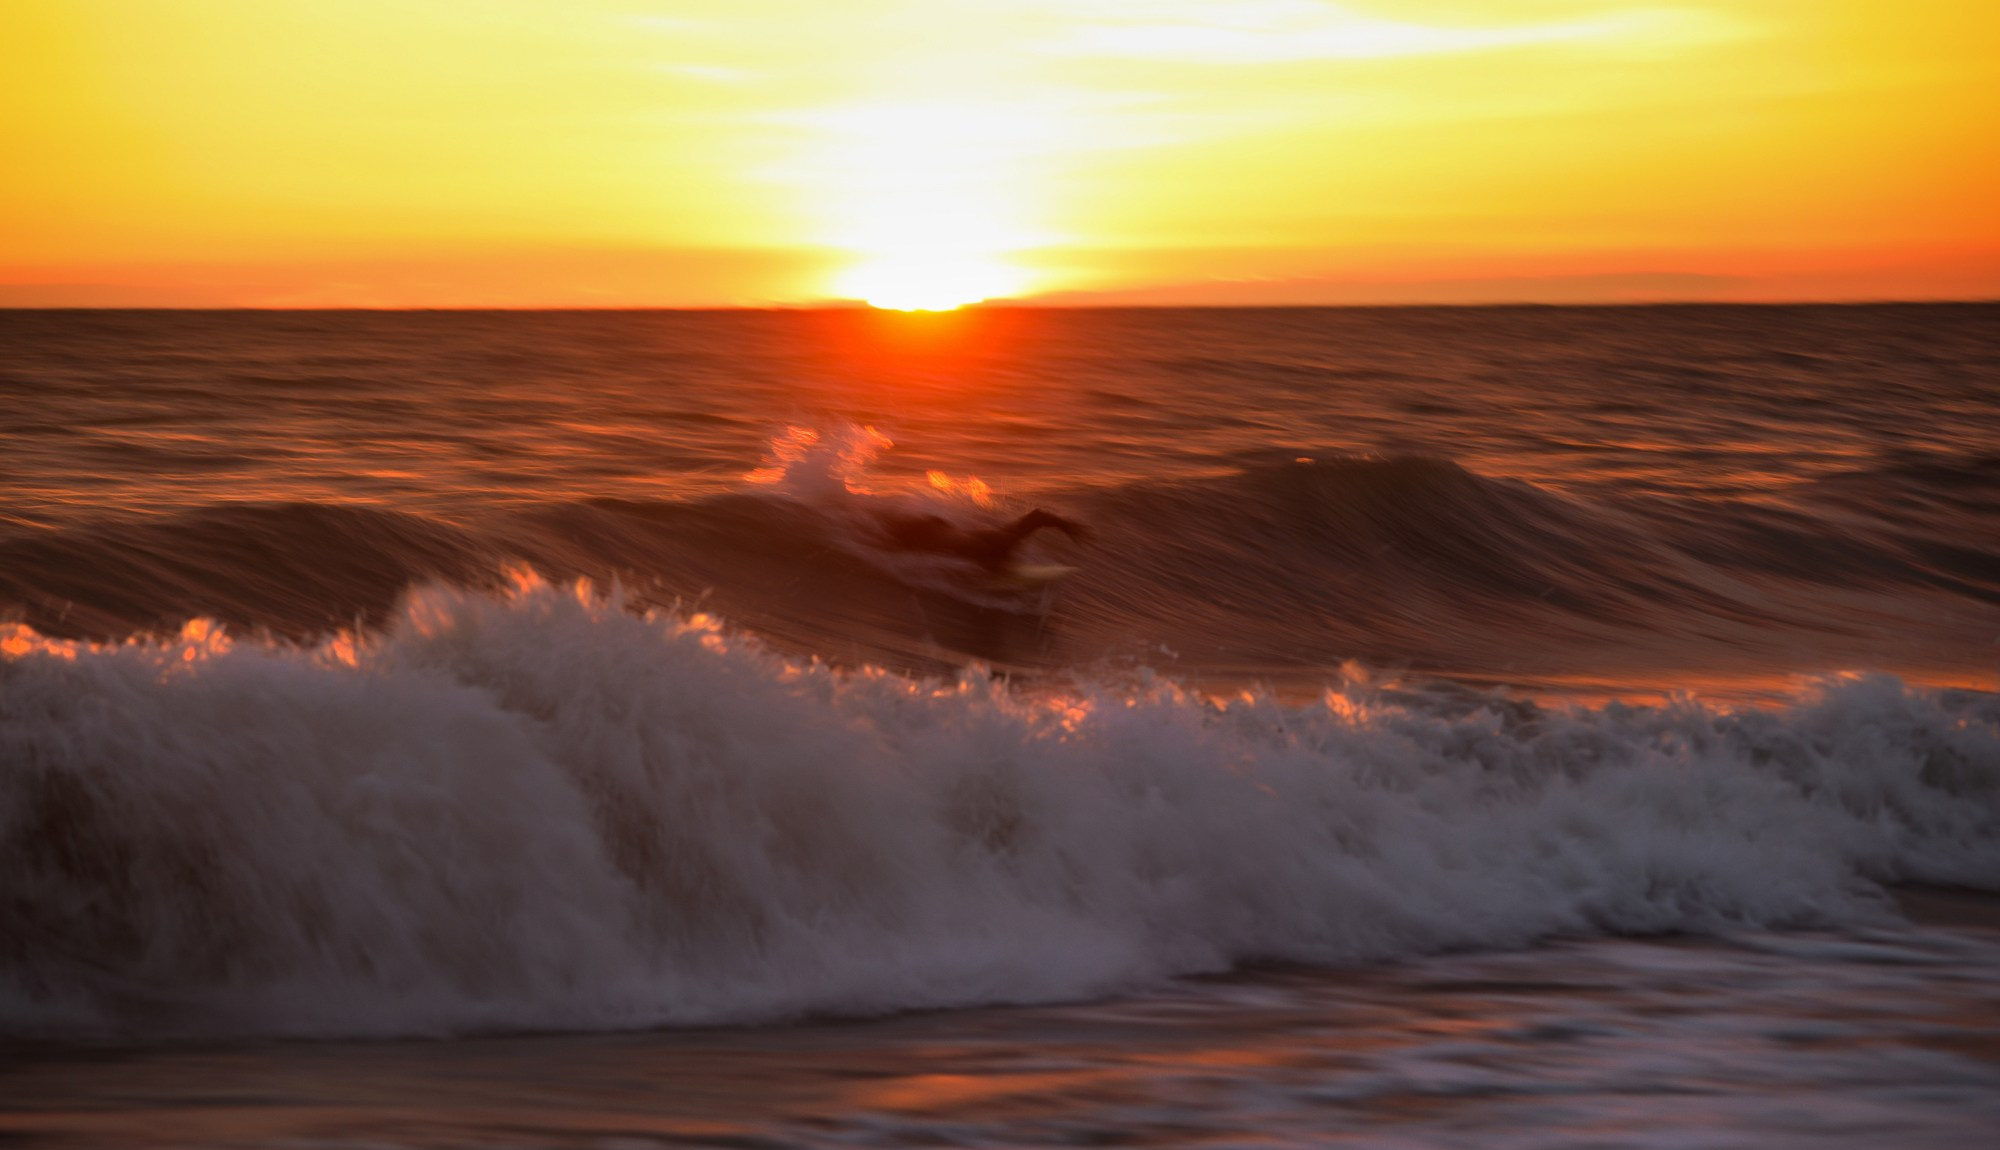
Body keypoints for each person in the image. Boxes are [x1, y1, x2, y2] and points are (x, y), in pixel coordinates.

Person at [875, 508, 1089, 572]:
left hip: (945, 531)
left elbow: (1037, 516)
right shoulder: (1000, 541)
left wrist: (1068, 527)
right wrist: (1068, 527)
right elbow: (1037, 516)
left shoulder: (1003, 541)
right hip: (943, 531)